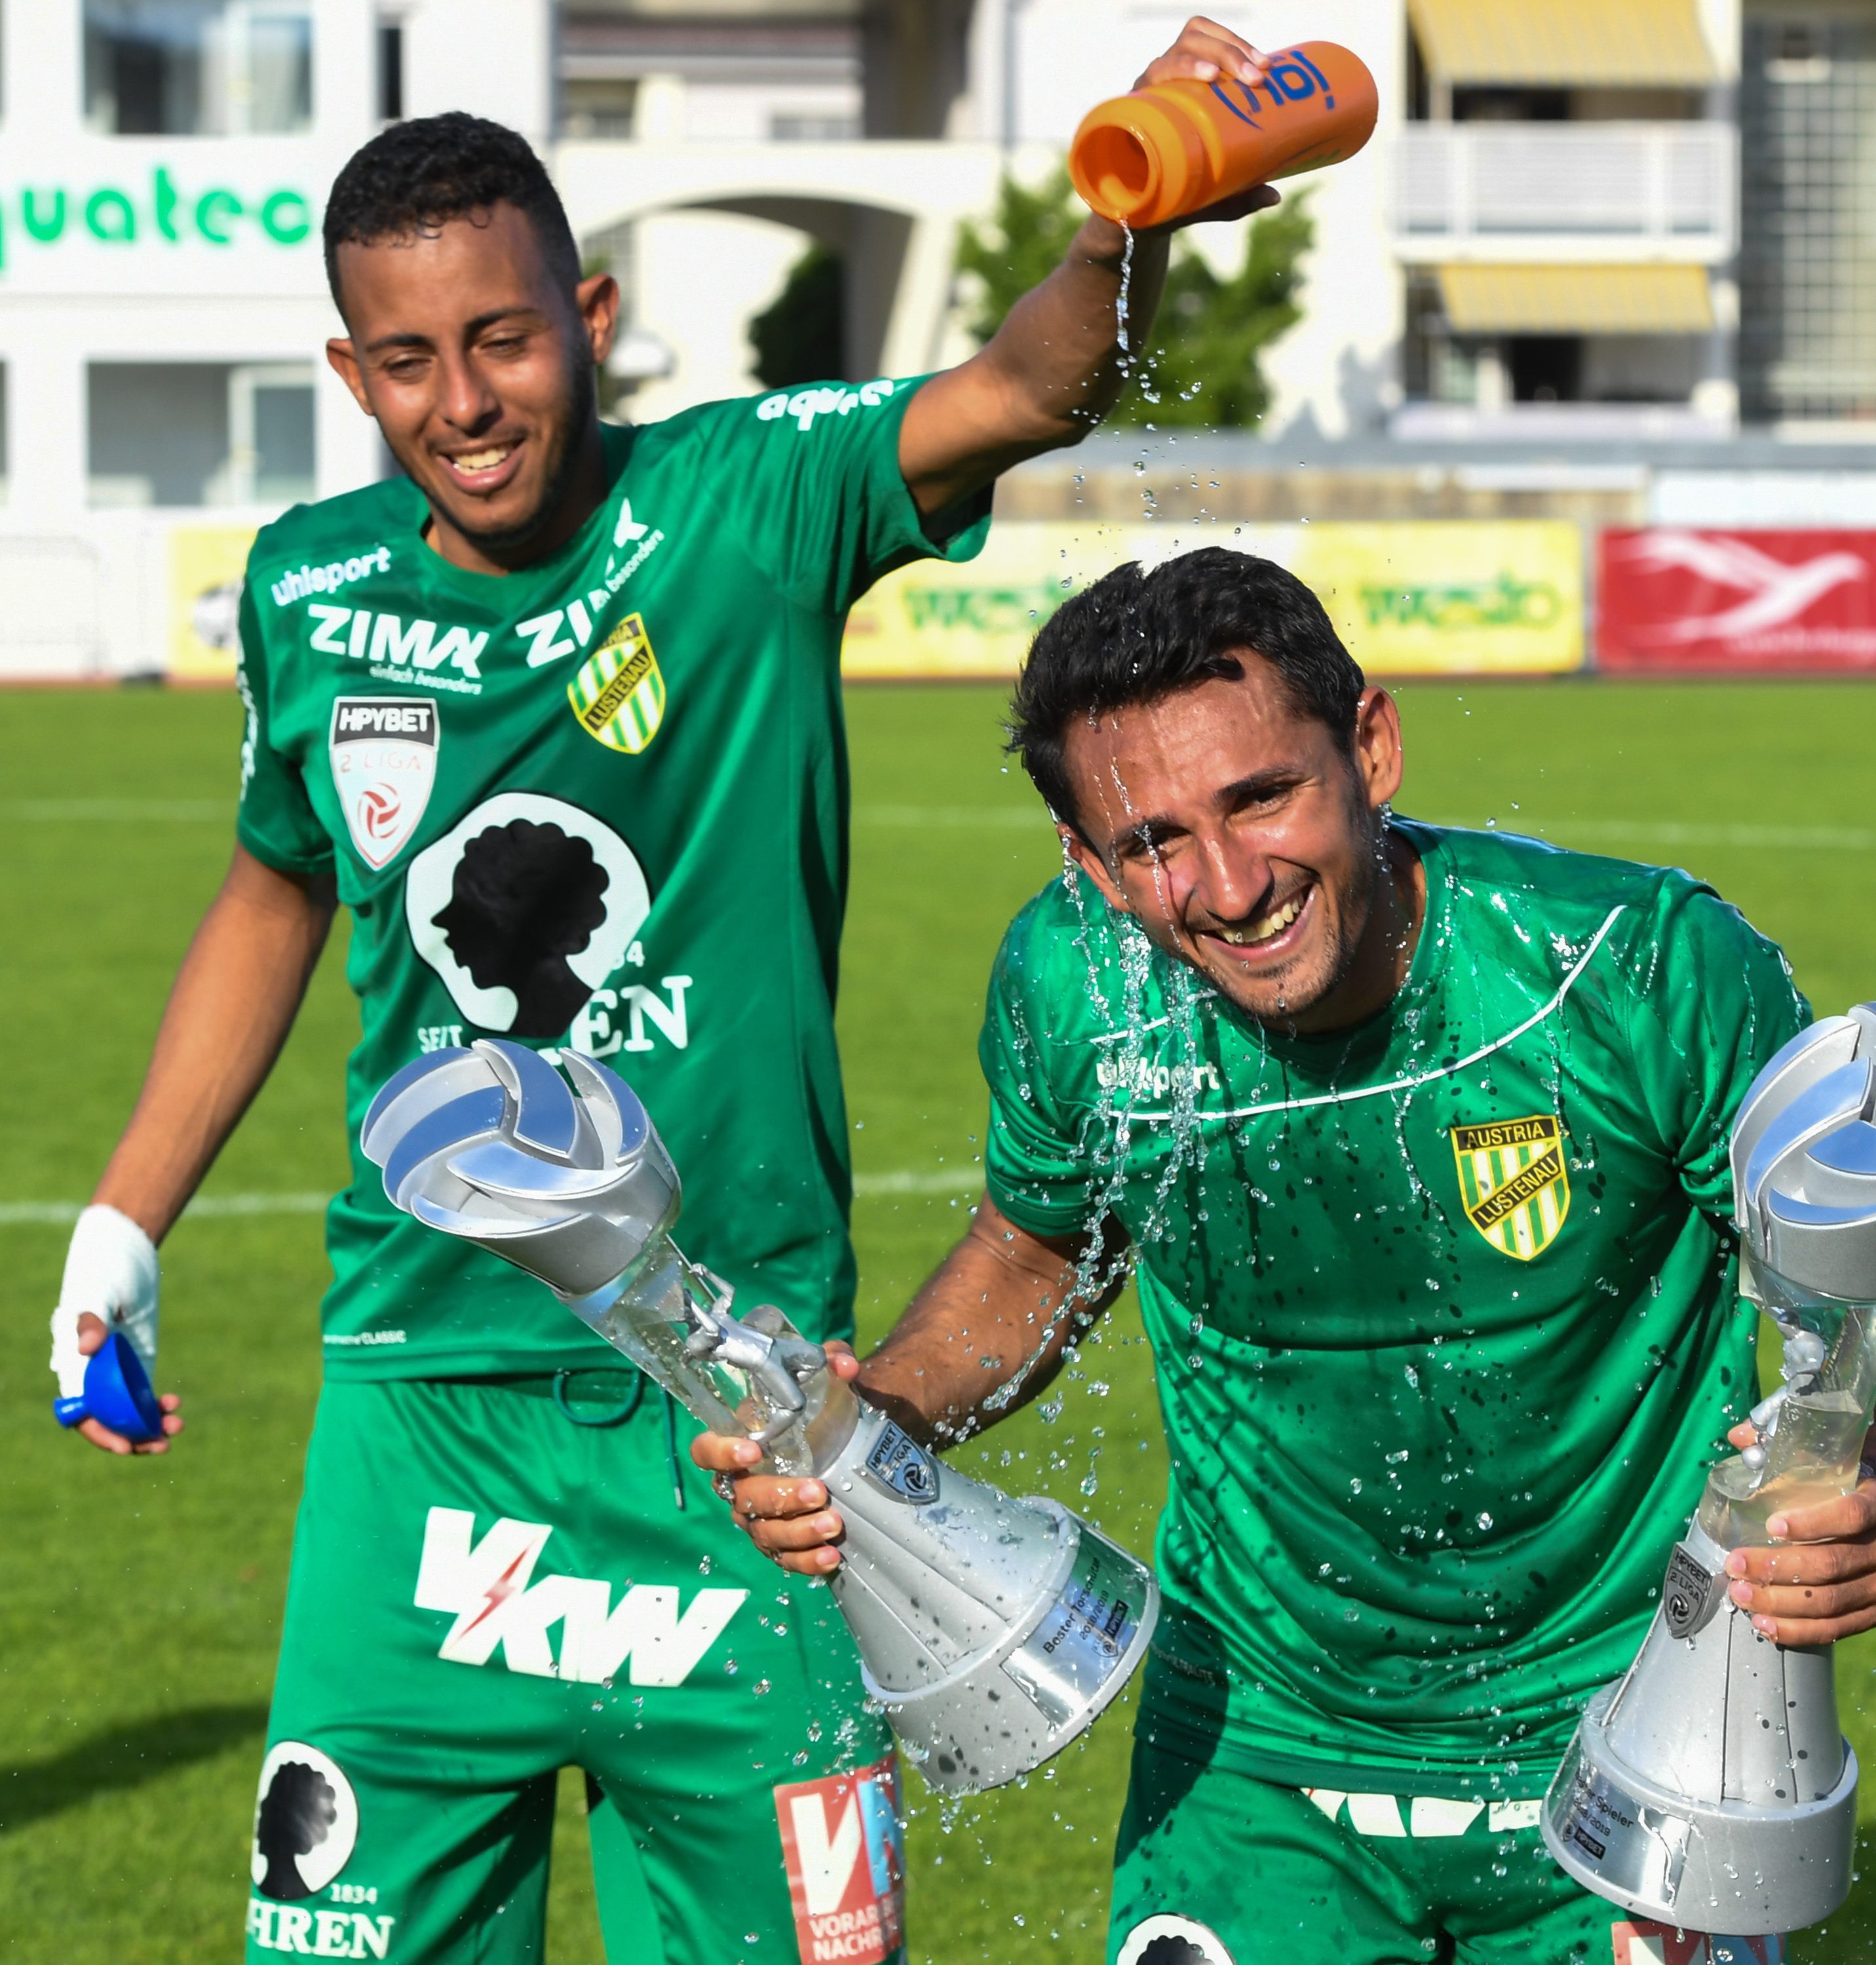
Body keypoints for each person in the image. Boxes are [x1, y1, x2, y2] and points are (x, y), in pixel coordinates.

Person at [46, 20, 1292, 1961]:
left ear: (593, 317)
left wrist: (1129, 227)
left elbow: (1033, 381)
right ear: (346, 371)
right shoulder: (306, 586)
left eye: (504, 338)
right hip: (421, 1413)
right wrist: (122, 1226)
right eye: (403, 358)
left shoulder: (751, 501)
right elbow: (278, 888)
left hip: (746, 1423)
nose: (460, 399)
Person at [699, 548, 1876, 1965]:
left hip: (1637, 1728)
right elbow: (1036, 1250)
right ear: (1086, 863)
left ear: (1370, 744)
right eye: (1153, 841)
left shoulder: (1633, 969)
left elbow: (1875, 1277)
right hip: (1254, 1746)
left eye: (1262, 798)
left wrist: (1857, 1489)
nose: (1229, 885)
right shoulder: (1076, 991)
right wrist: (878, 1433)